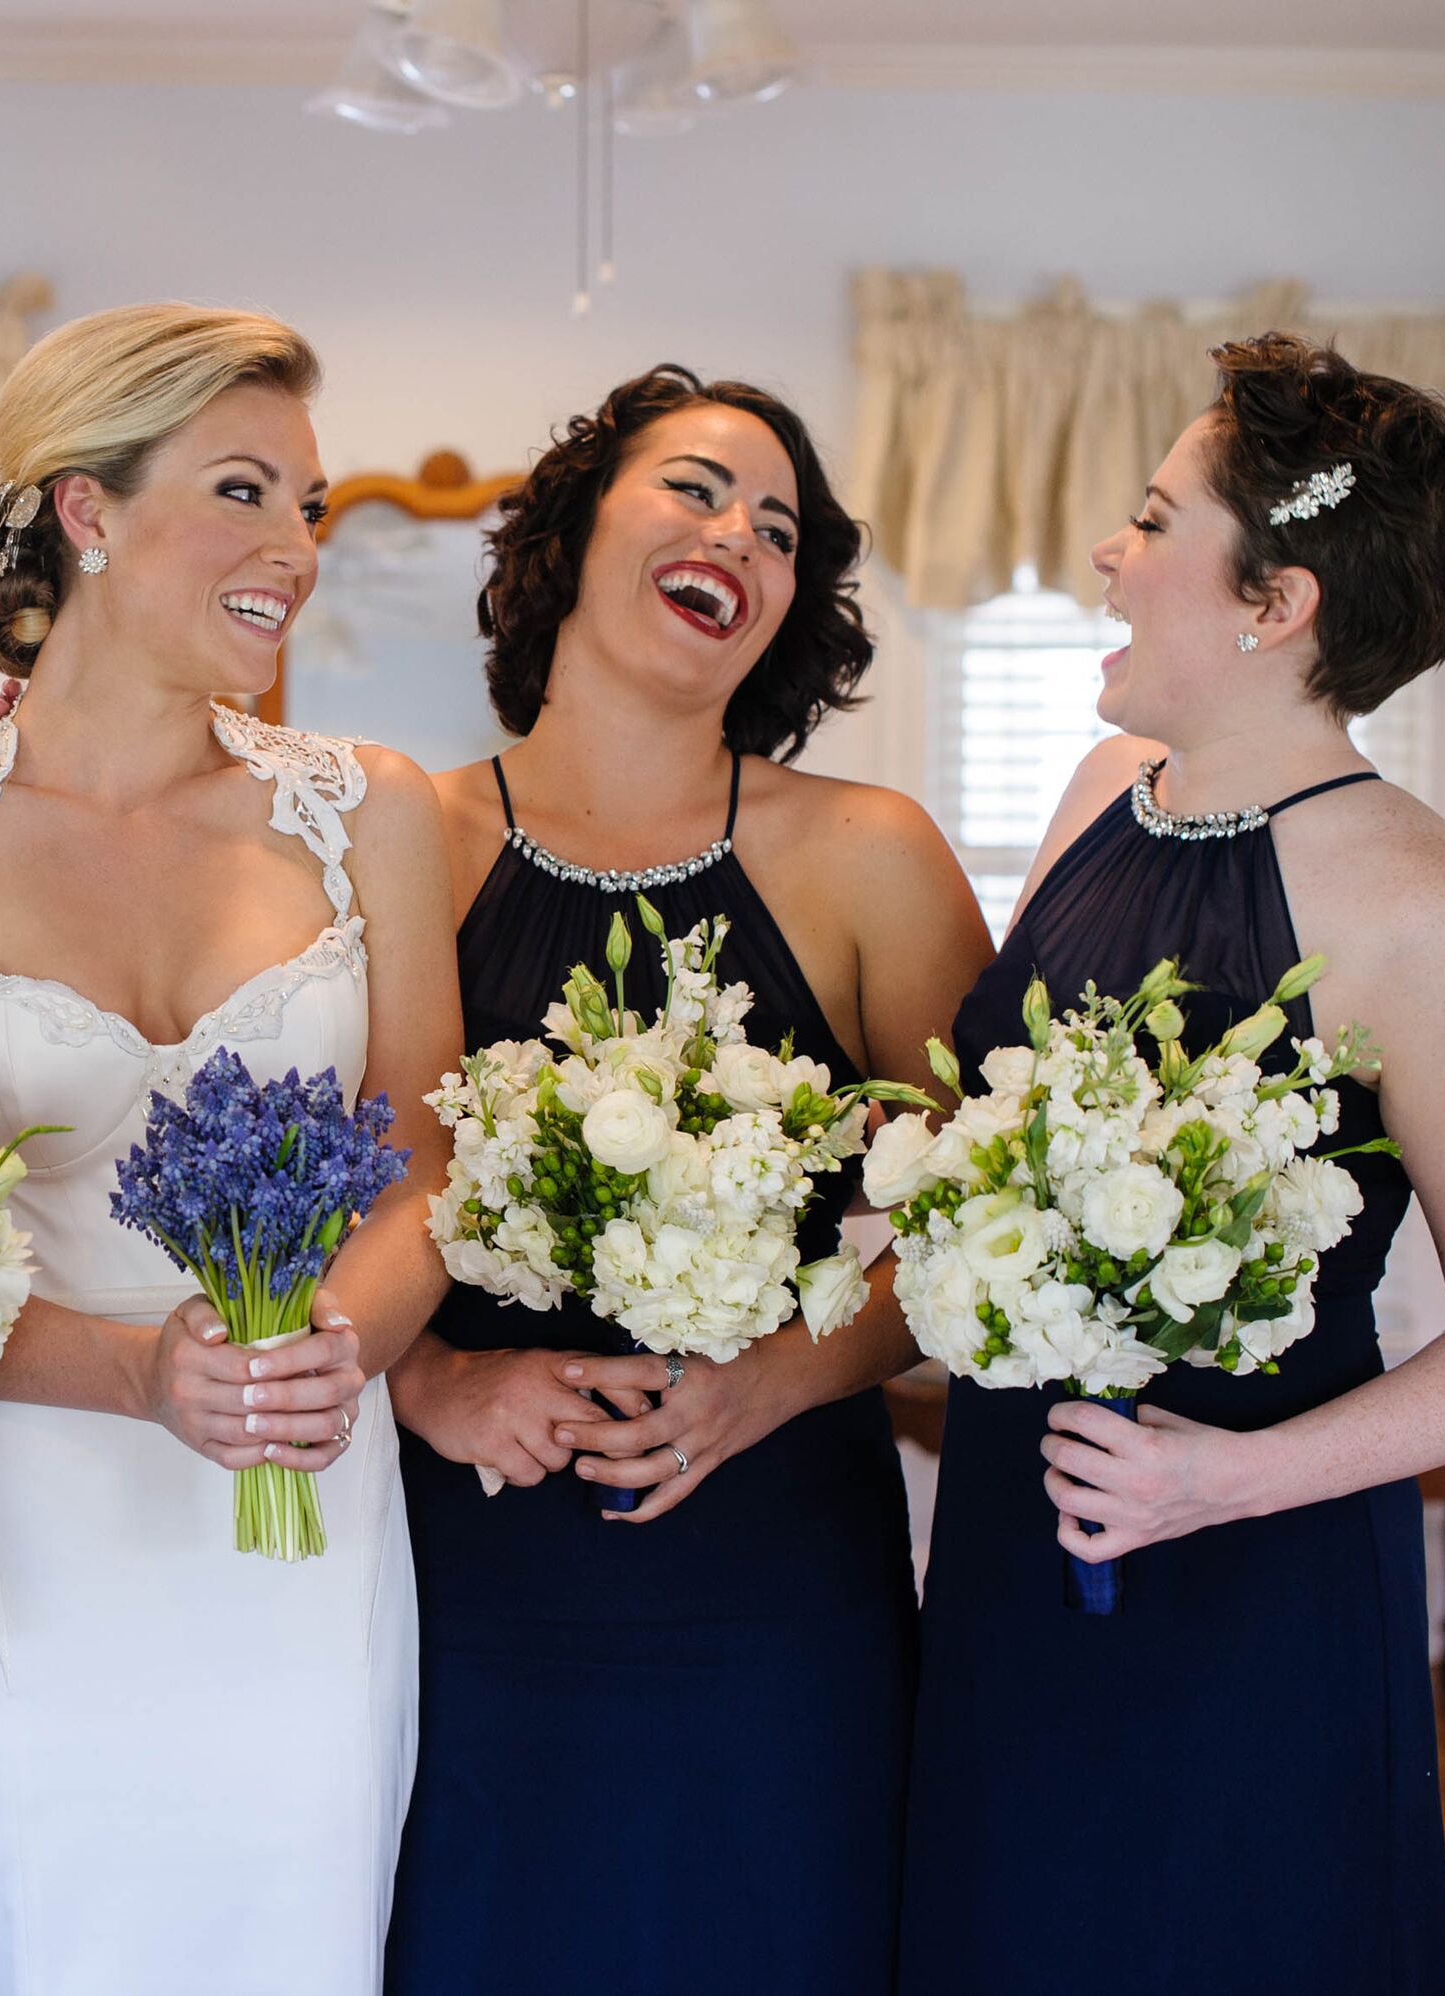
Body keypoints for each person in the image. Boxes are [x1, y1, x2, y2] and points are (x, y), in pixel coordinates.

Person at [898, 334, 1445, 1996]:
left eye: (1150, 519)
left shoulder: (1427, 909)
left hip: (1249, 1560)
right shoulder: (1098, 793)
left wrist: (1213, 1483)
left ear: (1274, 604)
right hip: (1017, 1517)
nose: (1106, 558)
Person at [0, 302, 462, 1995]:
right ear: (85, 511)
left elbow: (436, 1168)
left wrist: (328, 1355)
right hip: (17, 1524)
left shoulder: (372, 807)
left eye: (306, 506)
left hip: (299, 1525)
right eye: (243, 492)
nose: (293, 551)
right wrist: (139, 1375)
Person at [383, 365, 992, 1993]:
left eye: (780, 527)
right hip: (467, 1567)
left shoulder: (873, 853)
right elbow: (305, 1210)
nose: (741, 533)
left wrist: (770, 1387)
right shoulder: (400, 842)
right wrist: (427, 1382)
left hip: (771, 1564)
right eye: (699, 489)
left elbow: (978, 1233)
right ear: (575, 532)